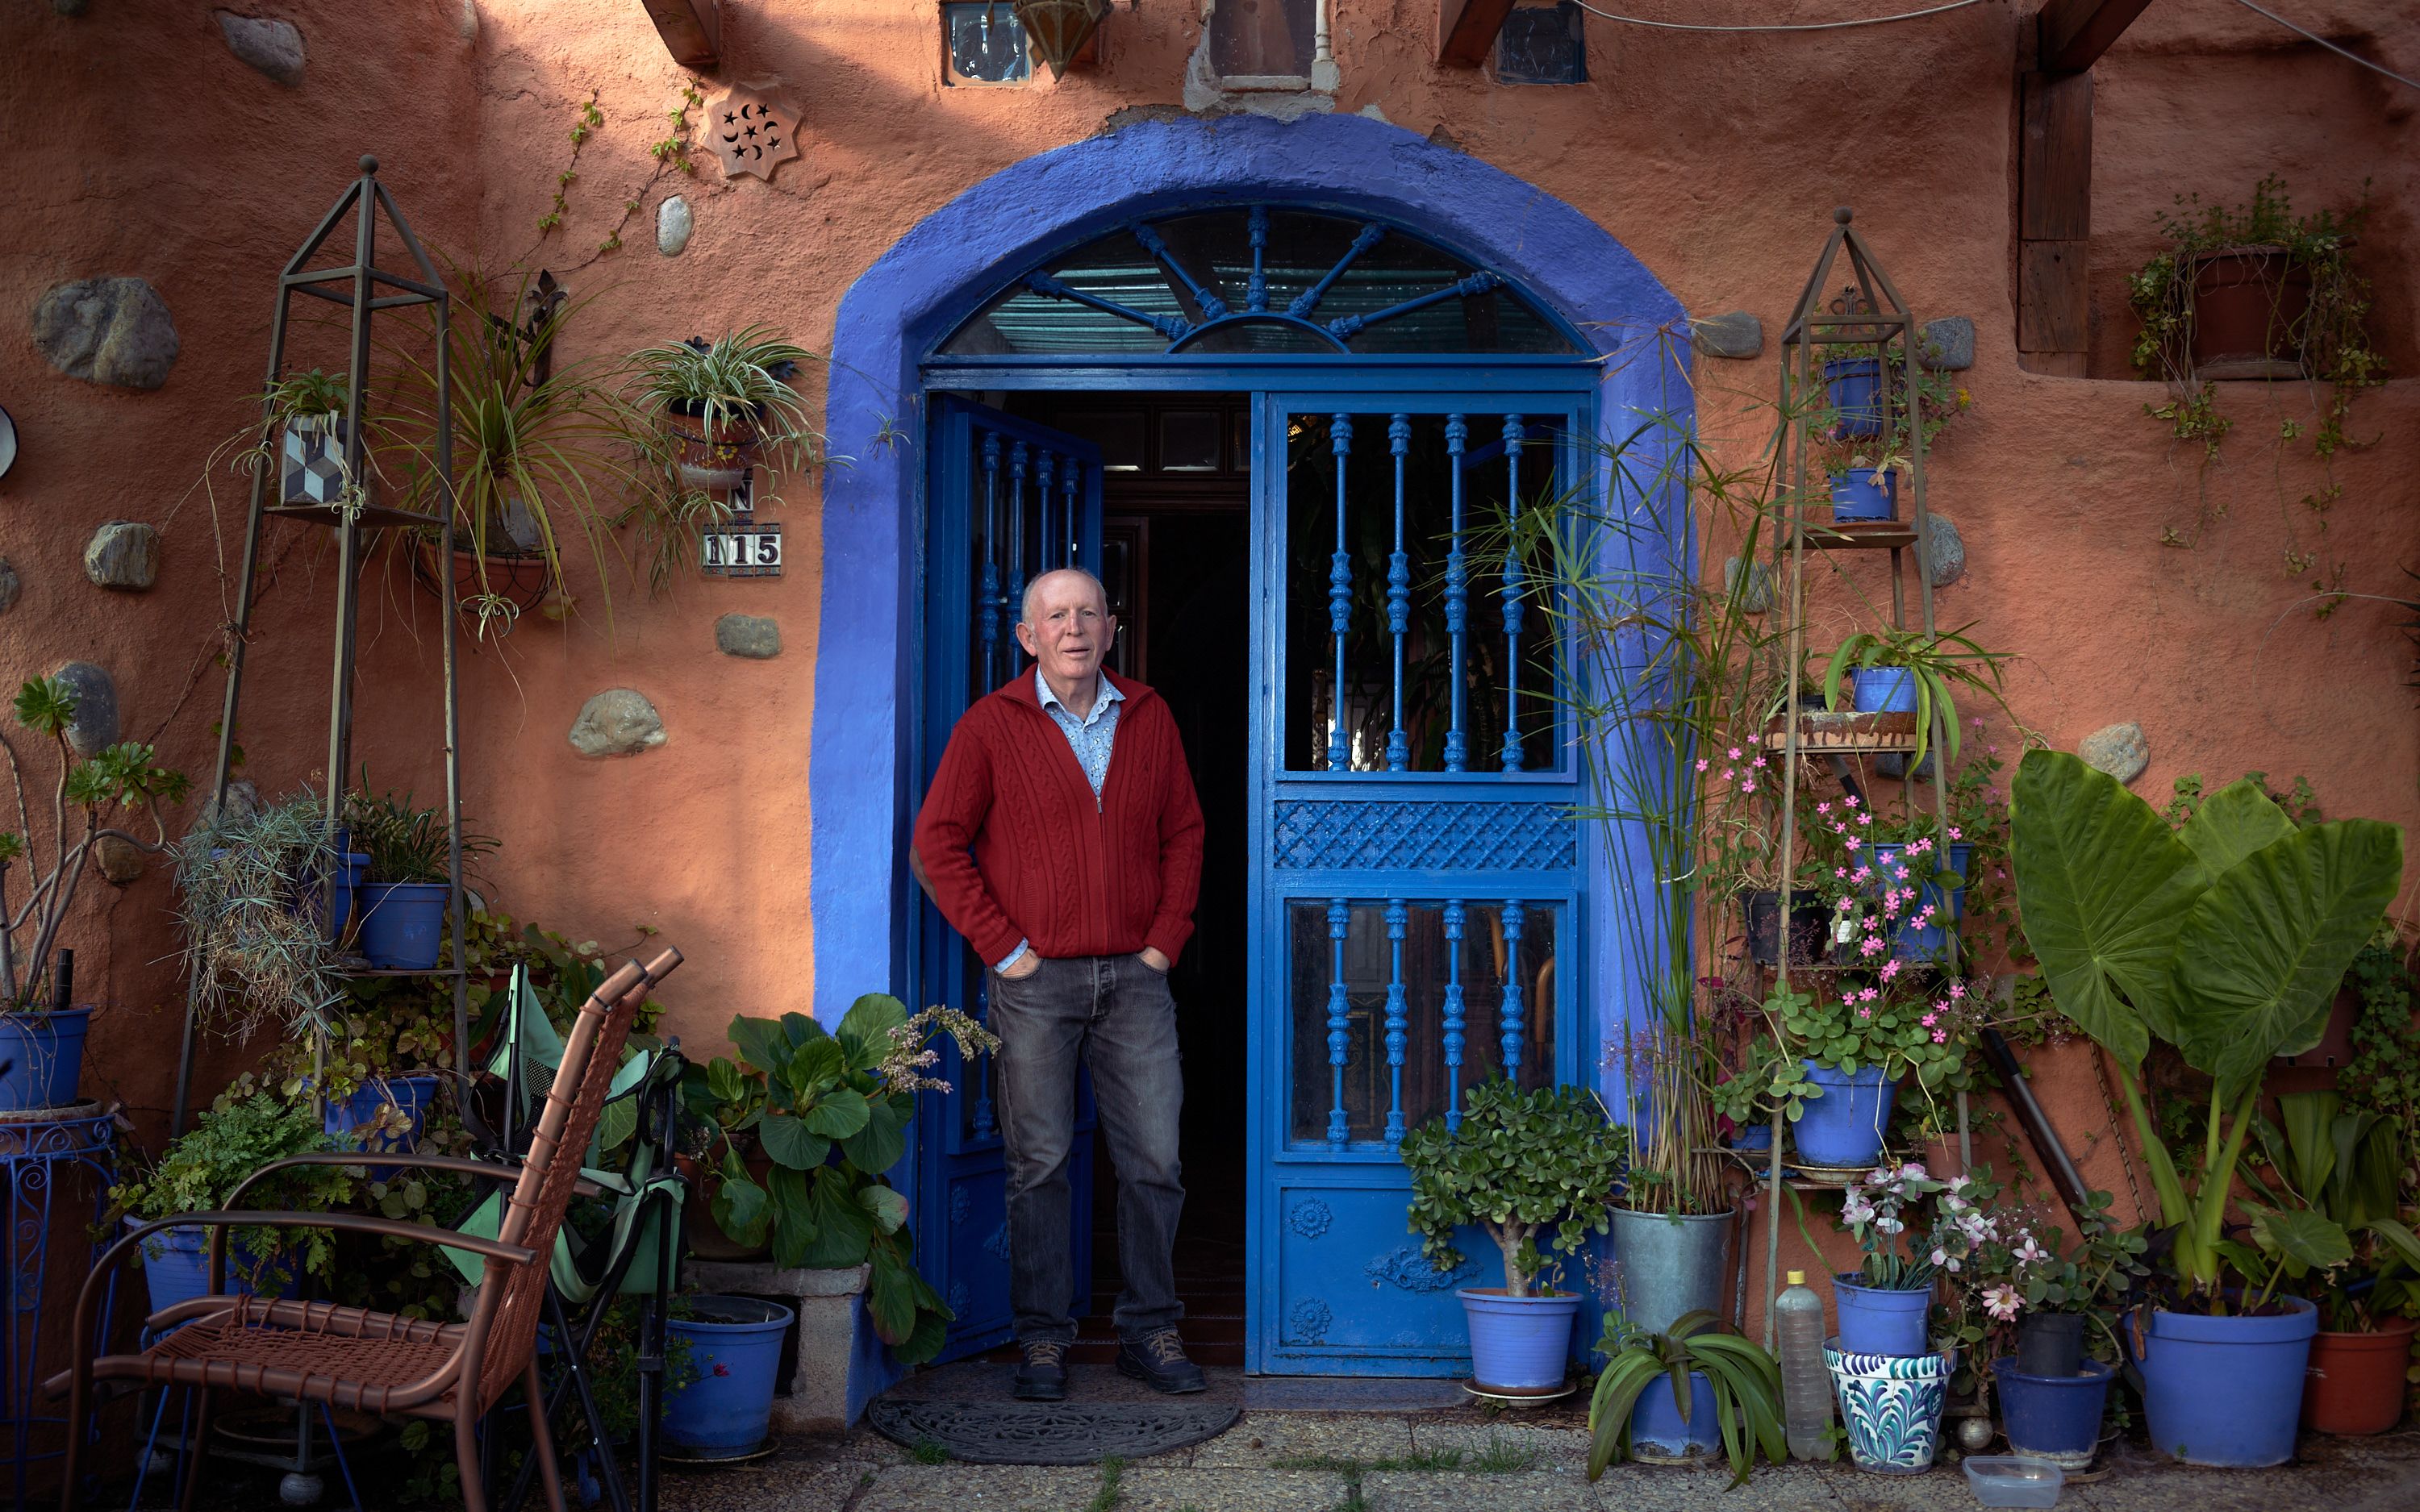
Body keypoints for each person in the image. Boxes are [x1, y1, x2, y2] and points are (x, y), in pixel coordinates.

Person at [911, 566, 1208, 1400]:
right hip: (1036, 985)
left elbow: (1185, 831)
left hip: (1137, 980)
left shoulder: (1150, 717)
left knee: (1155, 1160)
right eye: (1056, 616)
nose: (1074, 628)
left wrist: (1163, 943)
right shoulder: (991, 726)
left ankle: (1151, 1329)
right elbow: (938, 842)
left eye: (1088, 613)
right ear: (1028, 637)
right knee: (1038, 1163)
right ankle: (1042, 1340)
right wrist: (1006, 950)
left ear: (1112, 628)